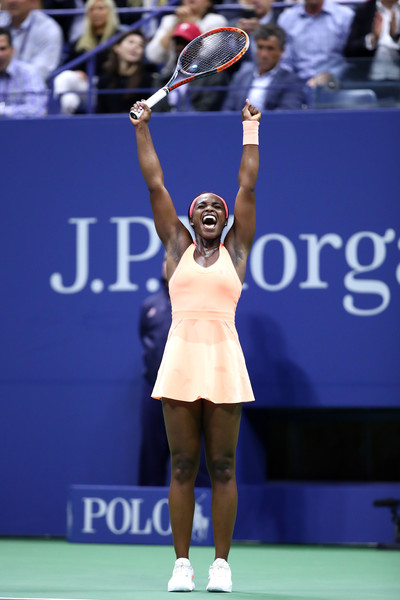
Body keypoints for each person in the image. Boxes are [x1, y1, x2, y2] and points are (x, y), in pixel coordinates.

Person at [129, 98, 261, 593]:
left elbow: (247, 185)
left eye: (217, 206)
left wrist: (250, 130)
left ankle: (221, 565)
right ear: (188, 220)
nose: (211, 207)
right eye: (201, 205)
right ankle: (182, 564)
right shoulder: (175, 249)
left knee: (223, 466)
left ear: (225, 221)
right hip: (181, 359)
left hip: (224, 360)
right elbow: (155, 184)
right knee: (182, 464)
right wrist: (142, 130)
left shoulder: (238, 250)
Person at [138, 254, 210, 487]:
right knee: (152, 455)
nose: (169, 265)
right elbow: (144, 339)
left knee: (192, 456)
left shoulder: (200, 305)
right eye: (166, 260)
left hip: (190, 393)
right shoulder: (150, 306)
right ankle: (147, 510)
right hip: (155, 392)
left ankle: (201, 513)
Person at [53, 0, 122, 114]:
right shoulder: (80, 41)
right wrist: (78, 73)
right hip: (84, 87)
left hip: (108, 86)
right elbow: (68, 65)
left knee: (66, 78)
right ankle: (60, 124)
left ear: (110, 12)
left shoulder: (119, 38)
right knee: (68, 99)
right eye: (91, 9)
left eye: (100, 8)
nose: (95, 13)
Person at [223, 23, 304, 111]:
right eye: (260, 47)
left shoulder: (291, 81)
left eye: (270, 49)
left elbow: (287, 115)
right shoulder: (240, 77)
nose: (264, 55)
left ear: (282, 51)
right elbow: (227, 111)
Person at [151, 22, 230, 112]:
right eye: (177, 42)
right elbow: (156, 110)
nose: (180, 47)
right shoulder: (163, 77)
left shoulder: (213, 76)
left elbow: (207, 107)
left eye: (185, 42)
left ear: (199, 45)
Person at [277, 0, 354, 89]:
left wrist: (330, 75)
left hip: (335, 83)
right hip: (296, 84)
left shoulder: (345, 16)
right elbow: (285, 61)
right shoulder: (287, 18)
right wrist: (293, 81)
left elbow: (351, 59)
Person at [145, 0, 227, 73]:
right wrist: (176, 24)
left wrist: (190, 24)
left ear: (209, 2)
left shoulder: (216, 20)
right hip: (170, 75)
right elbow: (153, 56)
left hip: (203, 77)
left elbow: (205, 55)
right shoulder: (169, 20)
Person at [344, 0, 400, 102]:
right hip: (368, 82)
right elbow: (349, 52)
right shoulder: (365, 10)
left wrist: (395, 38)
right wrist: (372, 39)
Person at [0, 0, 63, 83]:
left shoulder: (49, 28)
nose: (12, 1)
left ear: (33, 1)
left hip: (31, 89)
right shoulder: (1, 21)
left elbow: (41, 72)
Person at [96, 29, 156, 113]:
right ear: (116, 47)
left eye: (141, 45)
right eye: (131, 42)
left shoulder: (148, 80)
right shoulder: (104, 80)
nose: (135, 47)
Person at [0, 25, 47, 117]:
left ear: (12, 50)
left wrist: (2, 111)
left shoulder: (29, 72)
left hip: (22, 130)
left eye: (3, 49)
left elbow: (37, 109)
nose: (0, 55)